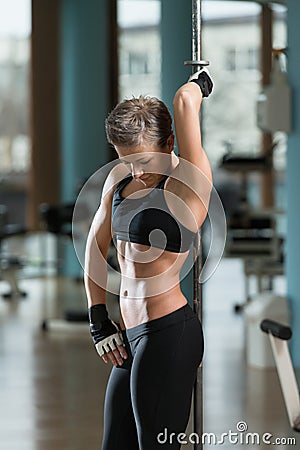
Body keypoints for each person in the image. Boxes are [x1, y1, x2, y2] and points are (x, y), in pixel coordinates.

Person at [84, 69, 213, 449]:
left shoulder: (187, 181)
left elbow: (185, 102)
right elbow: (94, 245)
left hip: (169, 333)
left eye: (143, 160)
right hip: (131, 336)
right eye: (127, 160)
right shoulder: (119, 181)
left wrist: (200, 82)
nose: (136, 171)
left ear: (170, 141)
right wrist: (98, 320)